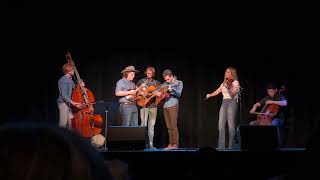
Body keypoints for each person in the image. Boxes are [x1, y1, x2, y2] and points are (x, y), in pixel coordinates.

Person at [206, 67, 240, 149]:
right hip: (224, 103)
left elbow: (232, 95)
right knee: (220, 125)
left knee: (231, 125)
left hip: (232, 102)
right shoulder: (223, 83)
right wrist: (210, 95)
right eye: (226, 72)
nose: (226, 73)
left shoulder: (235, 82)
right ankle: (221, 147)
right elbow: (217, 91)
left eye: (228, 72)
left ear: (232, 74)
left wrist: (228, 87)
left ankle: (231, 146)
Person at [155, 69, 183, 150]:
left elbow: (178, 94)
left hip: (173, 105)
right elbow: (155, 91)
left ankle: (176, 144)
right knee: (169, 127)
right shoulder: (164, 84)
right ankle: (170, 144)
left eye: (168, 79)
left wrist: (171, 90)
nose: (167, 81)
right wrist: (158, 93)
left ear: (172, 76)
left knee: (173, 126)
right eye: (165, 79)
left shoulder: (178, 83)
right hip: (165, 106)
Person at [136, 66, 161, 148]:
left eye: (150, 73)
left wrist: (158, 94)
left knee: (151, 126)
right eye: (147, 73)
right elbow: (136, 91)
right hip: (144, 105)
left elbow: (160, 94)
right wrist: (142, 93)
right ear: (145, 73)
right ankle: (141, 144)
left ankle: (151, 144)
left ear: (153, 74)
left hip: (153, 106)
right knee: (143, 125)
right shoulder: (141, 81)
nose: (149, 74)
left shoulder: (157, 83)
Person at [57, 62, 83, 128]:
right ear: (69, 71)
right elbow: (64, 95)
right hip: (63, 104)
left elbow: (74, 90)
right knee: (63, 124)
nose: (74, 71)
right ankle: (58, 138)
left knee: (71, 124)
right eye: (73, 70)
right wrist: (74, 103)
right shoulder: (63, 80)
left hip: (68, 105)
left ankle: (70, 137)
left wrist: (80, 85)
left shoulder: (70, 80)